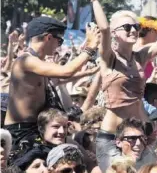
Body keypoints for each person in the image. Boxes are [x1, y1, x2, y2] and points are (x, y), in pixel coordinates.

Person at [72, 0, 157, 173]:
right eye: (127, 27)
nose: (133, 30)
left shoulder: (141, 56)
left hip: (142, 133)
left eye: (136, 27)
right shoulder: (108, 58)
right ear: (114, 33)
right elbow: (103, 27)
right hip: (113, 136)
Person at [4, 15, 100, 148]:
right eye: (59, 41)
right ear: (48, 37)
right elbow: (66, 71)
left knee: (81, 154)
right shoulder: (26, 61)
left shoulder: (38, 63)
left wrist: (89, 72)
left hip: (38, 129)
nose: (59, 46)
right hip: (22, 133)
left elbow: (59, 78)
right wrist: (90, 47)